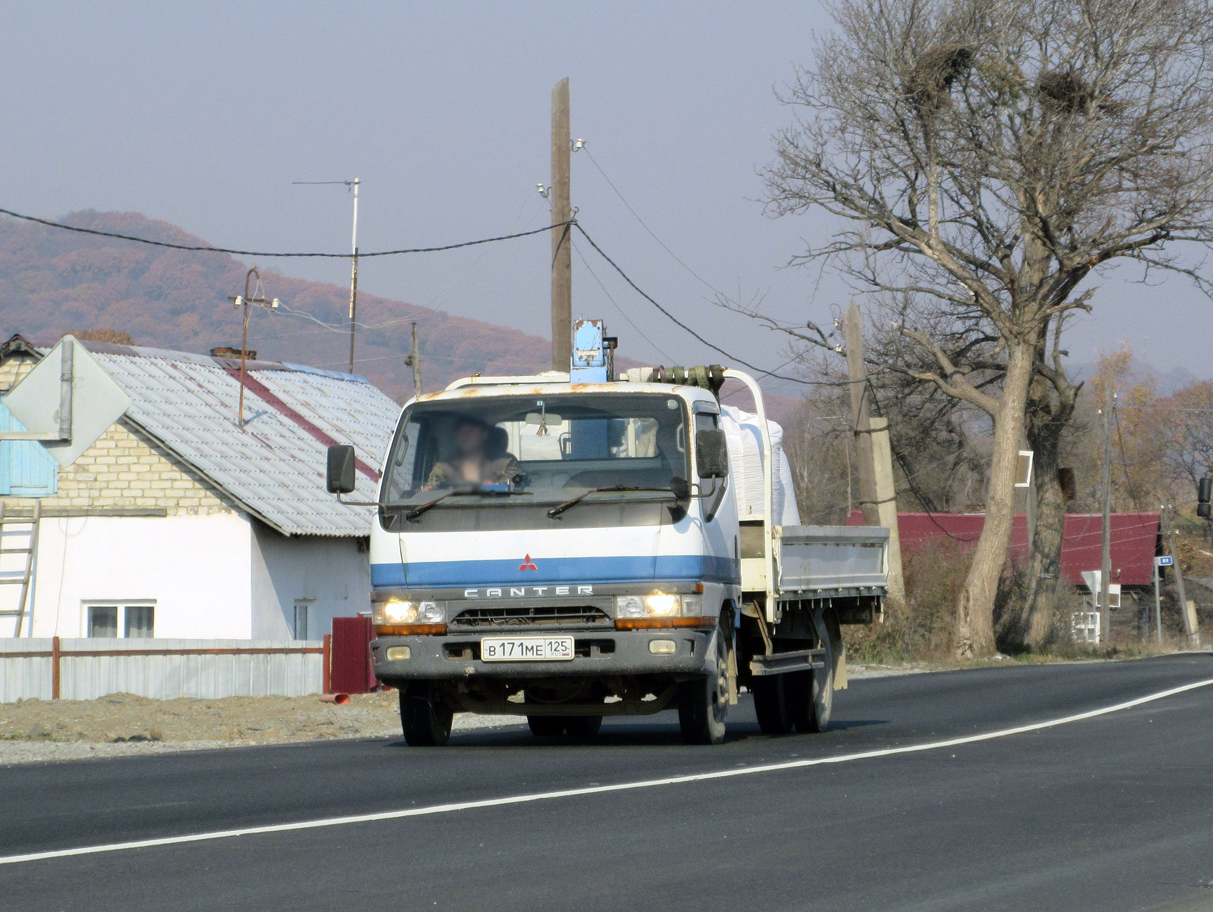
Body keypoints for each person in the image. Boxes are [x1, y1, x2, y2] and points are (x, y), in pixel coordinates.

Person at [423, 417, 519, 489]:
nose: (464, 437)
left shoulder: (506, 462)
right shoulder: (444, 466)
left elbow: (514, 486)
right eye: (461, 433)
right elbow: (431, 489)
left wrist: (493, 486)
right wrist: (429, 490)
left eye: (470, 432)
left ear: (484, 434)